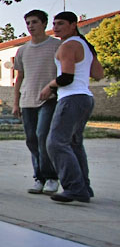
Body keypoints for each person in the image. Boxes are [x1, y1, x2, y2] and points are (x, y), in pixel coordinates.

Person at [39, 11, 104, 203]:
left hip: (71, 98)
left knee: (56, 142)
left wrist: (49, 86)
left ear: (73, 24)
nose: (55, 27)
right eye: (54, 23)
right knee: (74, 144)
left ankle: (74, 188)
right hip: (85, 98)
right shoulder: (85, 45)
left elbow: (66, 77)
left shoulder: (68, 45)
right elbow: (98, 74)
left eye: (60, 24)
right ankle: (84, 187)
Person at [12, 10, 62, 195]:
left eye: (34, 22)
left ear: (44, 23)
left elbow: (63, 73)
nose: (31, 26)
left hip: (48, 100)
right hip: (27, 100)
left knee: (43, 136)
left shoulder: (57, 46)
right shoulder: (23, 50)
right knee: (31, 140)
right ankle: (39, 177)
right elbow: (19, 78)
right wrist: (16, 103)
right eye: (28, 23)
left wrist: (53, 89)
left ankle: (51, 177)